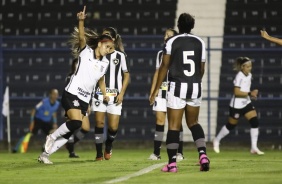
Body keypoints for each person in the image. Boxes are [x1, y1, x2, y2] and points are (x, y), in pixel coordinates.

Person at [37, 6, 113, 164]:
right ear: (99, 44)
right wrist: (80, 21)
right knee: (77, 122)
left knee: (73, 128)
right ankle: (51, 136)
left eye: (111, 48)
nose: (109, 50)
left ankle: (45, 154)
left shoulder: (105, 63)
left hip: (85, 99)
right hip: (72, 93)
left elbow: (100, 81)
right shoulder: (86, 52)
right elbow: (81, 37)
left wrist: (104, 93)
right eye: (107, 47)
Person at [149, 13, 210, 172]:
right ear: (192, 26)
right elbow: (202, 68)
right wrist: (196, 81)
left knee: (174, 126)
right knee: (194, 123)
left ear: (178, 25)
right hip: (195, 86)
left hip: (177, 86)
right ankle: (203, 154)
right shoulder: (200, 42)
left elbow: (164, 67)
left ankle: (172, 163)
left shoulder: (172, 41)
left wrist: (156, 90)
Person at [213, 57, 264, 155]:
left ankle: (254, 147)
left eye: (250, 66)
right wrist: (250, 93)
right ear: (242, 67)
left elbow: (246, 90)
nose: (250, 68)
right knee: (231, 125)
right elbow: (236, 92)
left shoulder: (249, 75)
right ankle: (217, 140)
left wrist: (252, 94)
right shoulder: (239, 76)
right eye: (248, 66)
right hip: (236, 105)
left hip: (246, 103)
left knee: (254, 122)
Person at [92, 27, 130, 161]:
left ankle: (108, 146)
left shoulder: (120, 56)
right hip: (98, 94)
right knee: (99, 123)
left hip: (115, 95)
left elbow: (126, 74)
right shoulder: (97, 54)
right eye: (103, 36)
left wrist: (122, 93)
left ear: (113, 40)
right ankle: (98, 154)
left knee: (113, 127)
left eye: (107, 35)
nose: (105, 37)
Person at [148, 28, 185, 161]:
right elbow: (157, 73)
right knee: (159, 121)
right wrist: (153, 91)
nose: (166, 37)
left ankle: (179, 152)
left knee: (176, 123)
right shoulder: (160, 54)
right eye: (165, 35)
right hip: (162, 90)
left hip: (174, 90)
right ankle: (156, 153)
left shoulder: (179, 53)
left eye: (169, 35)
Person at [12, 89, 60, 153]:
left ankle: (45, 147)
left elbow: (54, 113)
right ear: (50, 95)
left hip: (47, 122)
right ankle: (16, 148)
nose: (55, 96)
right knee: (30, 133)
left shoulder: (57, 104)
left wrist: (55, 122)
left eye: (56, 94)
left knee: (54, 132)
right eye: (54, 94)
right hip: (38, 120)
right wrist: (32, 122)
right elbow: (33, 110)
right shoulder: (44, 102)